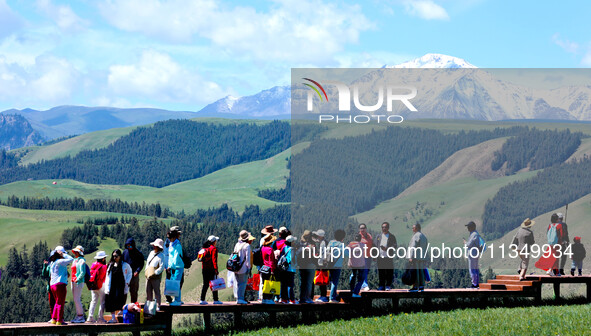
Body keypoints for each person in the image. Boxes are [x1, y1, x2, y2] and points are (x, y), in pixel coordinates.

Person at [104, 249, 133, 323]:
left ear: (120, 256)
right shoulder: (110, 265)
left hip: (120, 286)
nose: (114, 258)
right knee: (111, 301)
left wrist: (127, 282)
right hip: (112, 286)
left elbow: (130, 273)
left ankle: (122, 315)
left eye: (116, 256)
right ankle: (113, 318)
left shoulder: (125, 265)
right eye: (113, 256)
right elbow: (107, 276)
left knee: (120, 301)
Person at [48, 246, 74, 325]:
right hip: (60, 284)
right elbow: (71, 259)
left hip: (52, 285)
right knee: (60, 303)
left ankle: (54, 318)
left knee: (57, 302)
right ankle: (59, 320)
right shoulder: (60, 261)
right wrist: (64, 254)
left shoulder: (52, 263)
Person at [233, 230, 255, 305]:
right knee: (243, 283)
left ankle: (238, 298)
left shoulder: (237, 244)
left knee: (238, 283)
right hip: (243, 267)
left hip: (236, 267)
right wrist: (249, 268)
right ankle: (240, 298)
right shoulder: (247, 246)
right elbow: (248, 258)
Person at [375, 222, 397, 291]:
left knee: (389, 272)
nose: (384, 228)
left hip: (388, 257)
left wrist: (387, 248)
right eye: (382, 227)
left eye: (385, 227)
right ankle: (381, 286)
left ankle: (388, 285)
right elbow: (375, 245)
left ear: (388, 228)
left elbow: (395, 246)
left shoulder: (391, 236)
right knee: (381, 272)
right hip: (380, 257)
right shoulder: (378, 236)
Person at [200, 235, 222, 305]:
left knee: (205, 284)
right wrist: (216, 270)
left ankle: (202, 299)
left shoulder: (204, 248)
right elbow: (214, 260)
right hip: (211, 269)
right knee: (214, 284)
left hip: (204, 269)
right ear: (214, 242)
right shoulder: (214, 249)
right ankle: (215, 300)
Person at [87, 251, 108, 323]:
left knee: (93, 301)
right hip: (101, 285)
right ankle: (100, 318)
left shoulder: (93, 265)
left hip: (93, 285)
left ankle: (90, 317)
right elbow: (103, 277)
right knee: (102, 302)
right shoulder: (104, 266)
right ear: (102, 259)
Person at [327, 229, 348, 302]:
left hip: (329, 265)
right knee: (334, 282)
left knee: (331, 281)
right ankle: (332, 298)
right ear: (342, 237)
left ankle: (333, 294)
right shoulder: (341, 245)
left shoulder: (330, 243)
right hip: (337, 265)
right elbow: (347, 254)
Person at [122, 238, 145, 303]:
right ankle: (123, 307)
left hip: (134, 275)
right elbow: (122, 262)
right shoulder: (125, 252)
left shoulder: (138, 253)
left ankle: (133, 306)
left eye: (130, 246)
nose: (129, 247)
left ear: (133, 245)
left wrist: (137, 271)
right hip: (125, 275)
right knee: (124, 291)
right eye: (127, 246)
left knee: (134, 292)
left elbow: (141, 263)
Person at [146, 239, 165, 310]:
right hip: (148, 275)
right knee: (148, 291)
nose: (154, 246)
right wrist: (147, 271)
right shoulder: (151, 253)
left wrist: (155, 273)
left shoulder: (161, 256)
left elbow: (162, 266)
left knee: (156, 291)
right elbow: (148, 263)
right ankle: (149, 306)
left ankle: (157, 306)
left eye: (155, 245)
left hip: (156, 276)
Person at [167, 227, 184, 306]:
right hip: (173, 267)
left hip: (178, 266)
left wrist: (171, 266)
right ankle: (177, 298)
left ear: (173, 237)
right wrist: (169, 265)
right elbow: (170, 256)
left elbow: (176, 257)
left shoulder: (177, 245)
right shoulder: (171, 244)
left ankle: (177, 300)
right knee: (174, 282)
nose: (169, 239)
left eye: (170, 238)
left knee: (176, 282)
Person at [408, 223, 428, 292]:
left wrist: (411, 256)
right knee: (421, 272)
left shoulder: (416, 236)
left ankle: (415, 287)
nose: (412, 229)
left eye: (413, 228)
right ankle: (421, 286)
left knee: (415, 272)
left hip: (415, 257)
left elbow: (413, 246)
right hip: (422, 257)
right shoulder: (424, 236)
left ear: (416, 228)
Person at [298, 230, 316, 304]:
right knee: (309, 282)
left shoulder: (299, 244)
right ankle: (308, 298)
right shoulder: (312, 244)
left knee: (302, 282)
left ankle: (302, 298)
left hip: (301, 265)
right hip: (309, 264)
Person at [70, 245, 87, 323]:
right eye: (75, 252)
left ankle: (80, 316)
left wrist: (77, 279)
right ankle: (78, 316)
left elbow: (83, 272)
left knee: (77, 299)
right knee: (76, 299)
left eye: (77, 252)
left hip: (78, 282)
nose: (75, 253)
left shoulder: (82, 261)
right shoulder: (75, 260)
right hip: (73, 281)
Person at [279, 235, 297, 304]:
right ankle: (291, 299)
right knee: (290, 285)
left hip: (284, 269)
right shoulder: (292, 249)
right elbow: (292, 259)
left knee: (284, 284)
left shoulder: (285, 248)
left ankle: (284, 299)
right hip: (290, 269)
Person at [463, 221, 482, 289]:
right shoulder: (475, 234)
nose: (468, 228)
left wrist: (465, 242)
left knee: (472, 269)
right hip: (475, 253)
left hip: (472, 254)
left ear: (472, 227)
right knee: (475, 269)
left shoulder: (474, 234)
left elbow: (469, 244)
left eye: (469, 226)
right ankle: (476, 284)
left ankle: (474, 284)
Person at [261, 233, 278, 304]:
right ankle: (269, 299)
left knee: (265, 284)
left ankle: (264, 298)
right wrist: (272, 270)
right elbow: (271, 261)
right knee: (270, 284)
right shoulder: (270, 249)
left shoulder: (263, 248)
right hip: (269, 268)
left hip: (263, 268)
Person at [313, 229, 329, 303]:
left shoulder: (323, 243)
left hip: (322, 264)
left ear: (320, 236)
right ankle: (323, 295)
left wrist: (320, 263)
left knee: (322, 281)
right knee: (323, 280)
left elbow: (323, 254)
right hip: (324, 264)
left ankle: (323, 296)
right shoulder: (324, 242)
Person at [42, 251, 57, 320]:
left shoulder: (59, 264)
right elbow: (44, 274)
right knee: (51, 303)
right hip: (50, 286)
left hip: (56, 285)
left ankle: (59, 317)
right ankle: (53, 317)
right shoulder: (49, 265)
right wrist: (45, 266)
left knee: (57, 303)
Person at [358, 223, 373, 291]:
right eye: (361, 228)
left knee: (366, 271)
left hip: (369, 256)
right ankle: (365, 285)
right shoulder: (358, 236)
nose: (362, 229)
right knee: (364, 270)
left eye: (363, 228)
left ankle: (361, 285)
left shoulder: (369, 236)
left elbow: (372, 245)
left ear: (366, 228)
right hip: (361, 256)